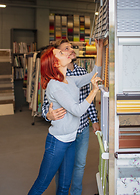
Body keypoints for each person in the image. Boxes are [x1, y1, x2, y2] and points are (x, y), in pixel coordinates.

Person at [28, 45, 102, 195]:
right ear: (55, 63)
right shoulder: (55, 85)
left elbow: (93, 74)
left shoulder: (69, 80)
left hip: (71, 140)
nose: (67, 52)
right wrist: (94, 91)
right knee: (41, 184)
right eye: (61, 52)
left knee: (64, 186)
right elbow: (77, 110)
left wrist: (100, 49)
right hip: (57, 143)